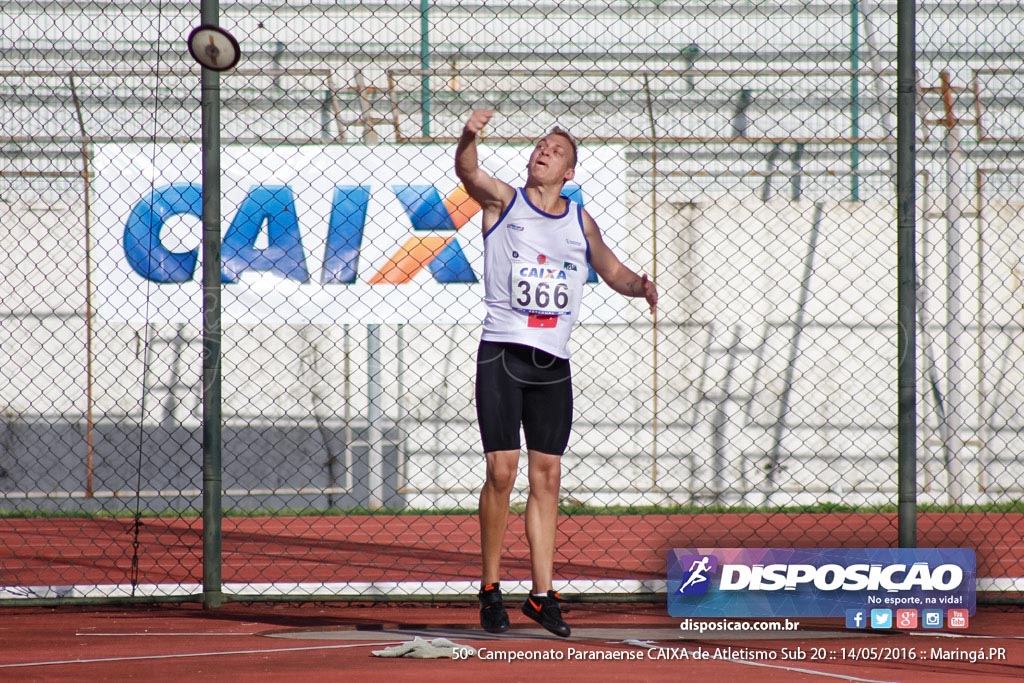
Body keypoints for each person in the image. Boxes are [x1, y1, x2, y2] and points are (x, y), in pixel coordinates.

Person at [455, 109, 658, 638]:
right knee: (502, 473)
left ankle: (542, 595)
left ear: (570, 172)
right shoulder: (504, 201)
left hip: (553, 364)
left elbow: (610, 269)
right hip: (502, 354)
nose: (542, 151)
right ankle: (490, 588)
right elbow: (469, 174)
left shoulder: (578, 219)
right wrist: (468, 137)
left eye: (555, 150)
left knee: (548, 477)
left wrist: (640, 286)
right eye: (539, 146)